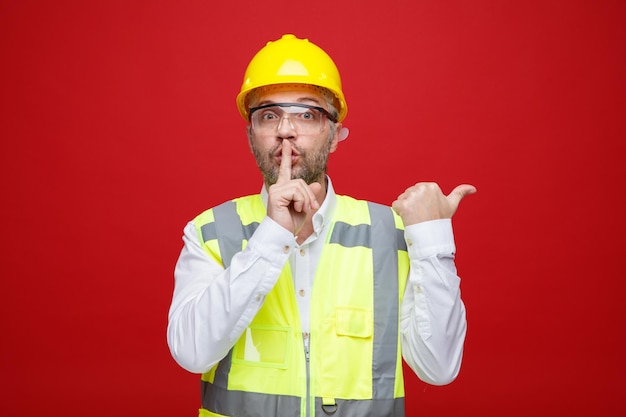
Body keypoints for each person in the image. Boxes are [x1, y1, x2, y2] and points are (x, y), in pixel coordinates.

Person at [167, 34, 476, 417]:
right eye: (268, 115)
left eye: (307, 114)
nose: (285, 130)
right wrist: (273, 236)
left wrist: (432, 243)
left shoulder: (390, 234)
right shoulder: (211, 232)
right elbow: (191, 352)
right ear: (252, 136)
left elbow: (440, 368)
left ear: (334, 136)